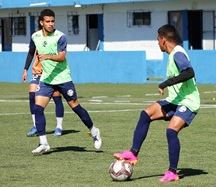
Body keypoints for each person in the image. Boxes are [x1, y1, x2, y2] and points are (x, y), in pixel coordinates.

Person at [113, 24, 200, 183]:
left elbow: (189, 72)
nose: (157, 43)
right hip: (174, 100)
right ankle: (133, 153)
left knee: (171, 131)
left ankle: (173, 172)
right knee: (146, 114)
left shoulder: (178, 53)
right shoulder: (174, 53)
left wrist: (165, 83)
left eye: (157, 40)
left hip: (188, 102)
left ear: (163, 39)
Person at [31, 9, 101, 155]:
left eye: (52, 21)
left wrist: (47, 56)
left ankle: (94, 131)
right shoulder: (35, 36)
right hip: (47, 79)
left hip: (63, 78)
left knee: (75, 106)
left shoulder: (60, 37)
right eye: (48, 21)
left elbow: (62, 57)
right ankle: (43, 143)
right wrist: (33, 66)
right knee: (38, 108)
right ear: (41, 22)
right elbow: (35, 52)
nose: (50, 24)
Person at [22, 31, 64, 137]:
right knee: (32, 95)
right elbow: (31, 52)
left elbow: (61, 55)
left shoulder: (56, 38)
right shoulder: (35, 37)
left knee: (56, 97)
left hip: (52, 72)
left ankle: (59, 126)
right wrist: (25, 69)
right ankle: (36, 125)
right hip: (38, 71)